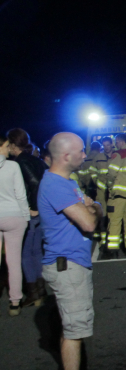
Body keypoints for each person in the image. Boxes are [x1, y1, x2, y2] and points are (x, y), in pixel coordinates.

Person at [39, 133, 107, 370]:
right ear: (66, 156)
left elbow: (94, 207)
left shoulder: (68, 182)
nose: (84, 155)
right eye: (80, 151)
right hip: (67, 265)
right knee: (74, 329)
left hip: (73, 261)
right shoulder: (56, 185)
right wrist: (93, 210)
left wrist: (95, 208)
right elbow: (89, 222)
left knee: (74, 325)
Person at [7, 128, 48, 308]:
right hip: (42, 211)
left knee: (25, 253)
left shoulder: (20, 162)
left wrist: (32, 207)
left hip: (31, 212)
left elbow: (34, 183)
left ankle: (33, 293)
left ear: (14, 145)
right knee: (37, 251)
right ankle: (41, 291)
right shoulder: (36, 160)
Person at [0, 131, 31, 316]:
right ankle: (15, 302)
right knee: (13, 261)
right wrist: (26, 217)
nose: (8, 149)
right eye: (5, 146)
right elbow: (21, 194)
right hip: (13, 216)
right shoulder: (12, 167)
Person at [91, 137, 114, 243]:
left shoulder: (117, 156)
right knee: (103, 214)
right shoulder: (98, 157)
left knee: (114, 214)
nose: (106, 147)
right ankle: (104, 240)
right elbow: (92, 171)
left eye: (108, 145)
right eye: (104, 145)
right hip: (101, 189)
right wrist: (97, 182)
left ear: (112, 144)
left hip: (114, 189)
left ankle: (115, 236)